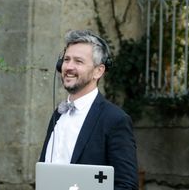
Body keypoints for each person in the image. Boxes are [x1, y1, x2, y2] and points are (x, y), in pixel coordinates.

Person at [39, 30, 138, 190]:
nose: (68, 67)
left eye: (78, 61)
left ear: (98, 71)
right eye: (66, 60)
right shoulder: (58, 114)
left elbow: (126, 185)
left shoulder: (115, 119)